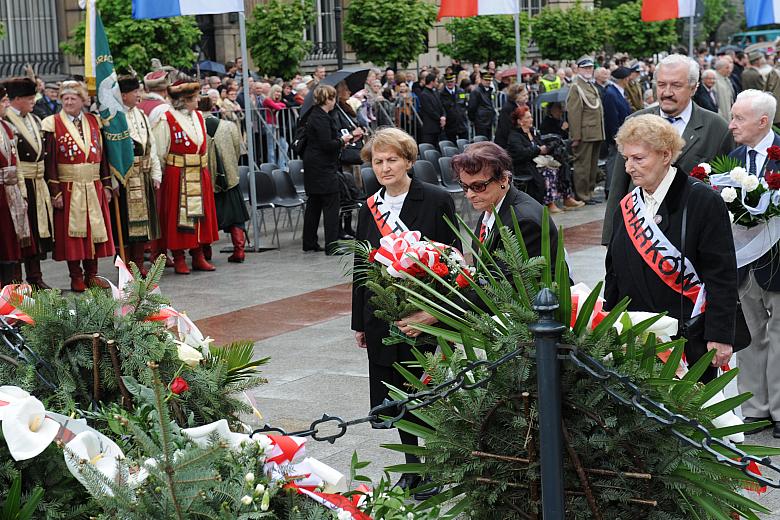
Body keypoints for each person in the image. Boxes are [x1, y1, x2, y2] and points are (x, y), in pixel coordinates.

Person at [351, 127, 458, 499]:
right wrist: (358, 322)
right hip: (381, 315)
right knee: (395, 395)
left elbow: (452, 259)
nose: (384, 167)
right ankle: (413, 467)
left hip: (422, 316)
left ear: (408, 161)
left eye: (392, 159)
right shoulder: (369, 206)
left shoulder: (435, 199)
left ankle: (436, 466)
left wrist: (434, 312)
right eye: (378, 161)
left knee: (426, 391)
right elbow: (361, 266)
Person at [605, 114, 740, 384]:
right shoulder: (628, 205)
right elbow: (614, 272)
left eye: (639, 158)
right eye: (627, 158)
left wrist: (720, 335)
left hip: (688, 338)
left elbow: (721, 275)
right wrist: (609, 321)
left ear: (666, 155)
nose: (630, 167)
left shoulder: (702, 200)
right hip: (637, 336)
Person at [602, 54, 735, 244]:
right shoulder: (634, 122)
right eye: (662, 84)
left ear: (694, 87)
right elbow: (618, 186)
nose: (667, 92)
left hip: (693, 237)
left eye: (676, 85)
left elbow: (727, 189)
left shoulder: (717, 127)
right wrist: (610, 238)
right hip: (640, 234)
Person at [726, 90, 780, 436]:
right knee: (748, 336)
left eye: (738, 119)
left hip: (779, 263)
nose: (731, 125)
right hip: (744, 265)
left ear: (762, 122)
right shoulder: (732, 158)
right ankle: (755, 408)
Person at [42, 81, 114, 292]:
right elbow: (50, 162)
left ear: (83, 100)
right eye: (65, 98)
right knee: (72, 235)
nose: (69, 102)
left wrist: (107, 185)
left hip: (93, 185)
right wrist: (55, 192)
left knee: (93, 231)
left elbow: (104, 157)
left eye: (73, 98)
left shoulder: (94, 121)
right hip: (68, 187)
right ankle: (76, 276)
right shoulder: (52, 123)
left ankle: (92, 274)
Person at [153, 79, 219, 274]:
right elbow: (160, 150)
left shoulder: (199, 117)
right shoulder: (167, 119)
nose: (198, 101)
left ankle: (198, 254)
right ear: (183, 100)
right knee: (178, 217)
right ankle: (179, 256)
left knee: (200, 216)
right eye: (193, 98)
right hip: (178, 174)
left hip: (199, 172)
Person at [4, 77, 52, 289]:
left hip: (38, 182)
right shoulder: (8, 122)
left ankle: (35, 277)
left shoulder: (34, 119)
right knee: (20, 233)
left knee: (36, 233)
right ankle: (16, 280)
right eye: (29, 97)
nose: (33, 101)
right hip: (19, 183)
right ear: (16, 99)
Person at [114, 74, 162, 276]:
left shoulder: (141, 115)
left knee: (144, 226)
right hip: (126, 177)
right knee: (126, 227)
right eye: (135, 92)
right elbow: (112, 152)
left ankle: (139, 263)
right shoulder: (115, 118)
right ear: (124, 95)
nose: (138, 95)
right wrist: (114, 178)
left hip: (143, 175)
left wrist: (156, 172)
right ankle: (126, 266)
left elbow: (151, 145)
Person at [301, 85, 356, 254]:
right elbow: (327, 144)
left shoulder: (314, 115)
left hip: (314, 166)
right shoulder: (321, 118)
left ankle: (309, 242)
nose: (334, 102)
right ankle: (331, 245)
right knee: (331, 204)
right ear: (328, 99)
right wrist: (342, 140)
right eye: (333, 98)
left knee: (314, 204)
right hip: (322, 167)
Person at [199, 96, 249, 263]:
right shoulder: (229, 126)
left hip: (204, 180)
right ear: (213, 106)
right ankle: (239, 250)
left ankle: (206, 253)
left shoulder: (195, 127)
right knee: (236, 215)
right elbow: (238, 151)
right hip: (229, 178)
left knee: (205, 217)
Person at [0, 85, 33, 287]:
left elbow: (17, 163)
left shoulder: (6, 127)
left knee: (13, 243)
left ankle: (15, 290)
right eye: (3, 101)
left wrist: (22, 192)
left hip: (11, 194)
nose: (7, 105)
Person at [566, 56, 605, 204]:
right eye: (585, 68)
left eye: (590, 68)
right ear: (578, 69)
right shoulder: (576, 87)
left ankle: (589, 192)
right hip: (584, 133)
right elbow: (574, 113)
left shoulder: (589, 85)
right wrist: (576, 136)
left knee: (592, 165)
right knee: (582, 165)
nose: (589, 70)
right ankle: (582, 195)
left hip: (595, 132)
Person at [506, 105, 547, 206]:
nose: (531, 119)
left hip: (535, 161)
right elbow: (522, 153)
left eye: (531, 117)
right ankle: (547, 204)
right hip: (523, 165)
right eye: (528, 117)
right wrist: (537, 150)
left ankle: (561, 199)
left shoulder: (533, 132)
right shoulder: (514, 136)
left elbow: (540, 144)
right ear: (520, 121)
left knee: (558, 168)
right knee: (547, 173)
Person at [602, 67, 633, 198]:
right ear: (624, 79)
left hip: (623, 134)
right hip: (617, 136)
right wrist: (615, 137)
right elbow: (611, 117)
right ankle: (610, 189)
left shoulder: (617, 91)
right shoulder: (611, 93)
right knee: (613, 163)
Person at [494, 83, 528, 149]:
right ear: (516, 96)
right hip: (505, 144)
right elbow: (506, 128)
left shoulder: (524, 105)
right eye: (524, 95)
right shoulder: (508, 108)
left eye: (527, 94)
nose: (526, 97)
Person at [417, 73, 445, 145]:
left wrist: (443, 117)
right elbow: (430, 110)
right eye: (436, 81)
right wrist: (440, 118)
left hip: (438, 127)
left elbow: (441, 106)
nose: (437, 83)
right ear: (432, 82)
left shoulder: (435, 92)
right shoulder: (424, 94)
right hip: (430, 128)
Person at [468, 72, 497, 140]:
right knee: (481, 141)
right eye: (486, 80)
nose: (488, 82)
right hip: (481, 122)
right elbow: (472, 107)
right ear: (481, 80)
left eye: (489, 80)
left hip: (489, 121)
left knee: (488, 141)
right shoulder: (476, 92)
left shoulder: (490, 91)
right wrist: (475, 119)